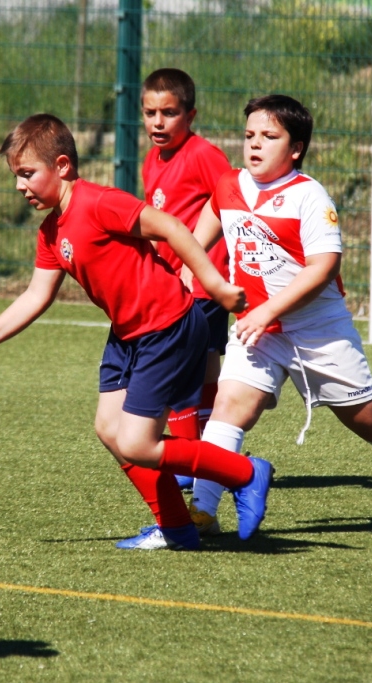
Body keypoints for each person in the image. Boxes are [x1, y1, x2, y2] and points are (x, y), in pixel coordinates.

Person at [0, 113, 274, 550]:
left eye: (27, 174)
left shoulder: (98, 202)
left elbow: (171, 227)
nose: (20, 186)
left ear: (61, 166)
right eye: (16, 176)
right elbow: (36, 295)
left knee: (138, 442)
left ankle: (246, 474)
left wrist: (213, 284)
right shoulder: (49, 232)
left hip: (167, 325)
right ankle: (176, 527)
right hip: (128, 335)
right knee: (110, 429)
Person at [185, 94, 372, 528]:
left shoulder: (309, 197)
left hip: (318, 329)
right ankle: (202, 509)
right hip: (258, 328)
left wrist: (268, 310)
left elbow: (323, 268)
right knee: (230, 406)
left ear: (295, 148)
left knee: (366, 419)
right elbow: (213, 209)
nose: (255, 145)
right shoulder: (229, 184)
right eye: (249, 135)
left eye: (269, 137)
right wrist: (193, 262)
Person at [140, 69, 232, 530]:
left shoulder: (204, 156)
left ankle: (188, 462)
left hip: (203, 282)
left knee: (183, 374)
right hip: (177, 281)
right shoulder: (151, 159)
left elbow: (231, 200)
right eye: (151, 112)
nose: (159, 122)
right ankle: (211, 450)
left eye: (169, 113)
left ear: (190, 114)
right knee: (208, 370)